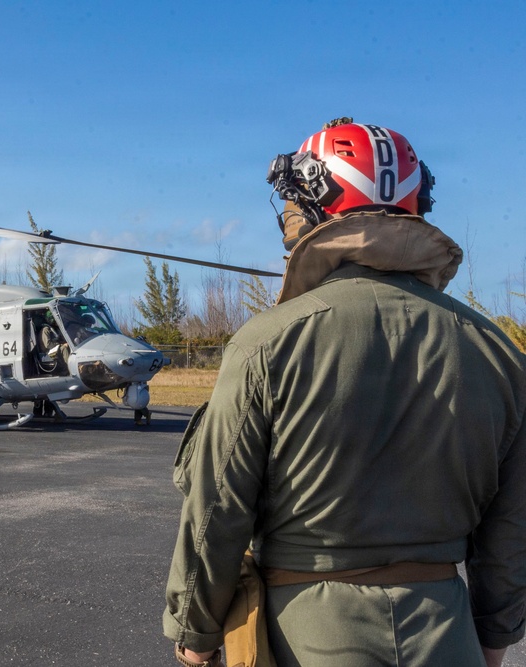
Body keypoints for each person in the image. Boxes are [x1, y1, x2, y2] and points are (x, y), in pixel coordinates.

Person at [163, 119, 526, 667]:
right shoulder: (499, 353)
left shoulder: (266, 344)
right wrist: (492, 640)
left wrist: (196, 634)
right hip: (449, 636)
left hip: (305, 635)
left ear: (316, 210)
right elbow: (512, 529)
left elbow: (217, 510)